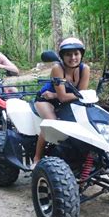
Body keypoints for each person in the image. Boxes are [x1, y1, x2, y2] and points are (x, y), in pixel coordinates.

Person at [32, 37, 90, 168]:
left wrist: (58, 94)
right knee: (51, 122)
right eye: (68, 54)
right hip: (45, 99)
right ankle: (37, 158)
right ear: (62, 56)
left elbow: (81, 93)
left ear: (81, 54)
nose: (73, 57)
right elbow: (69, 96)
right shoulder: (57, 68)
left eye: (76, 53)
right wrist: (56, 95)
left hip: (58, 97)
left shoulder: (84, 69)